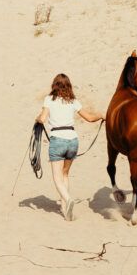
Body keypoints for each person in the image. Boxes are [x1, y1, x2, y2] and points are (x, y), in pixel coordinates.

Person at [35, 73, 104, 220]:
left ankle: (67, 199)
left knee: (57, 177)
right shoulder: (73, 101)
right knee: (65, 174)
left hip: (57, 140)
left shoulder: (49, 99)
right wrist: (102, 115)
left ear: (54, 85)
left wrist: (37, 120)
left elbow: (43, 118)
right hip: (73, 141)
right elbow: (90, 118)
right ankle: (64, 209)